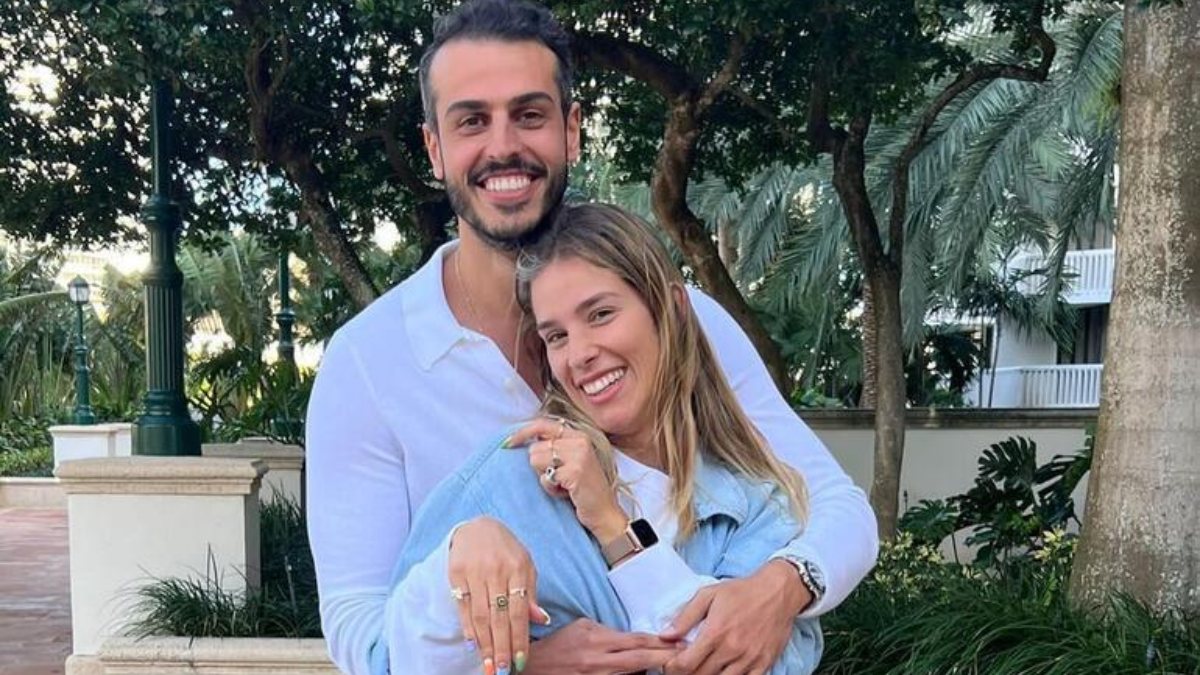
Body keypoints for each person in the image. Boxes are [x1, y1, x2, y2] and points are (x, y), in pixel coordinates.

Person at [304, 0, 878, 673]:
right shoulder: (367, 363)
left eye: (529, 114)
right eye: (471, 121)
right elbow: (360, 632)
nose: (502, 146)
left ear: (571, 130)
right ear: (434, 148)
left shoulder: (680, 321)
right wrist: (530, 665)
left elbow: (834, 505)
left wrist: (780, 588)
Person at [385, 202, 825, 675]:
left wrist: (613, 526)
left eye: (600, 314)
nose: (579, 355)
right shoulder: (508, 478)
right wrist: (459, 555)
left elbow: (730, 662)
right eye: (556, 336)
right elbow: (396, 662)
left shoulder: (756, 505)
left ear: (673, 310)